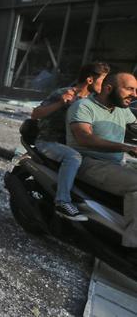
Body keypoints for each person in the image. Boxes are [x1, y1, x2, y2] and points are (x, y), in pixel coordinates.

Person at [67, 72, 137, 251]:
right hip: (88, 162)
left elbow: (135, 128)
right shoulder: (84, 107)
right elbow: (84, 138)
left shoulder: (122, 109)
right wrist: (125, 147)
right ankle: (132, 247)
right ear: (108, 88)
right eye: (130, 89)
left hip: (115, 164)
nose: (135, 95)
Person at [30, 63, 109, 220]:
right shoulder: (64, 93)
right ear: (90, 80)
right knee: (73, 157)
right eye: (103, 81)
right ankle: (62, 202)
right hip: (49, 141)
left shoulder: (93, 101)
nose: (106, 86)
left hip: (73, 144)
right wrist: (60, 103)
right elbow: (35, 114)